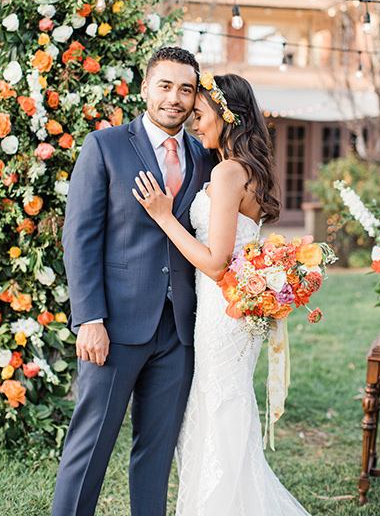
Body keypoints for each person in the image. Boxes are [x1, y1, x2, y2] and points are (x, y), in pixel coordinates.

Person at [133, 72, 311, 515]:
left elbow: (215, 263)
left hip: (222, 310)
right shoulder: (243, 169)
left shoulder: (229, 171)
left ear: (226, 114)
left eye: (200, 114)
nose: (194, 124)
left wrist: (163, 216)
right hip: (233, 310)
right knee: (223, 409)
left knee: (217, 411)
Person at [51, 46, 212, 516]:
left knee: (157, 454)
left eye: (186, 89)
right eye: (165, 86)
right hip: (115, 326)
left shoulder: (205, 157)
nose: (175, 99)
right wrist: (90, 320)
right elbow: (79, 239)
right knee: (90, 448)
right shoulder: (105, 146)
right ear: (145, 88)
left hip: (180, 329)